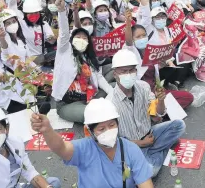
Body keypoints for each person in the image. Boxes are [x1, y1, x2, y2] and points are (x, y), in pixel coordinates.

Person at [30, 98, 153, 188]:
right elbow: (61, 148)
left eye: (112, 125)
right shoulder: (84, 148)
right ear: (90, 131)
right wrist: (47, 130)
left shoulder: (131, 149)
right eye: (101, 129)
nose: (109, 131)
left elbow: (146, 184)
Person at [107, 49, 185, 177]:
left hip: (150, 134)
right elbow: (113, 142)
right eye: (124, 71)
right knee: (150, 172)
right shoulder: (110, 102)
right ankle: (161, 150)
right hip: (130, 146)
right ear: (115, 74)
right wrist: (141, 143)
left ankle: (152, 151)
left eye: (131, 70)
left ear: (136, 71)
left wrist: (160, 100)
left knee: (179, 125)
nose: (128, 74)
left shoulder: (143, 87)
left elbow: (157, 117)